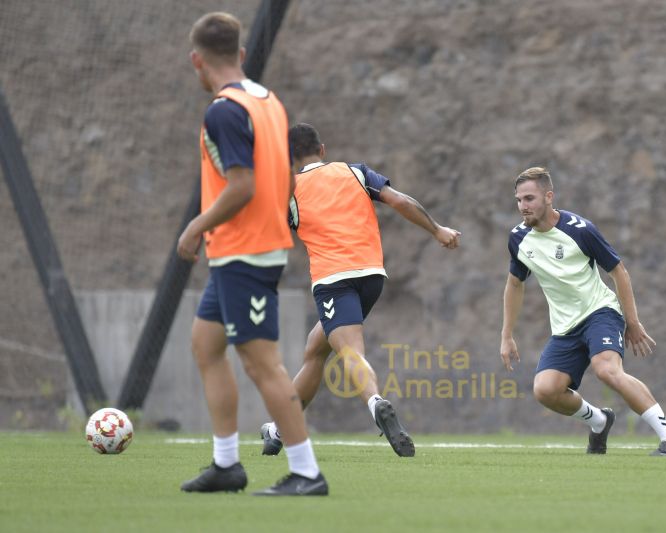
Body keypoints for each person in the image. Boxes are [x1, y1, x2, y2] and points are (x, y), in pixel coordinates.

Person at [176, 12, 328, 496]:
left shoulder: (223, 111)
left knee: (262, 362)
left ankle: (306, 473)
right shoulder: (269, 101)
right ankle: (227, 465)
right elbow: (282, 179)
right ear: (240, 56)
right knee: (206, 343)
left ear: (197, 61)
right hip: (239, 253)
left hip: (246, 253)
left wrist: (196, 226)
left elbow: (241, 186)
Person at [260, 123, 461, 458]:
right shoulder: (354, 172)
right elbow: (399, 201)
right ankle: (280, 430)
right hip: (372, 276)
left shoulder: (287, 190)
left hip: (333, 281)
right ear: (322, 150)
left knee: (350, 352)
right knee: (316, 350)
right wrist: (437, 229)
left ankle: (375, 403)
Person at [499, 167, 666, 456]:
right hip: (565, 327)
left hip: (600, 312)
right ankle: (600, 421)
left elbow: (619, 272)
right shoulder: (518, 239)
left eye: (530, 198)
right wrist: (507, 334)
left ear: (549, 197)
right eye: (519, 200)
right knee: (545, 390)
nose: (523, 206)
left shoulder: (580, 229)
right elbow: (515, 284)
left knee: (607, 370)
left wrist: (632, 322)